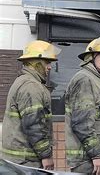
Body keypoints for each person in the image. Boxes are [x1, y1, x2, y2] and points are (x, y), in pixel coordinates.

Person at [64, 35, 100, 175]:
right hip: (88, 160)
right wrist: (96, 155)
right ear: (91, 56)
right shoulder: (85, 79)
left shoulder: (99, 82)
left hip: (95, 159)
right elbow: (81, 123)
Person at [2, 40, 61, 170]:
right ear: (35, 62)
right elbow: (34, 125)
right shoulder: (31, 86)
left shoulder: (24, 81)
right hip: (26, 162)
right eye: (47, 62)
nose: (50, 67)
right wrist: (46, 155)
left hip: (19, 160)